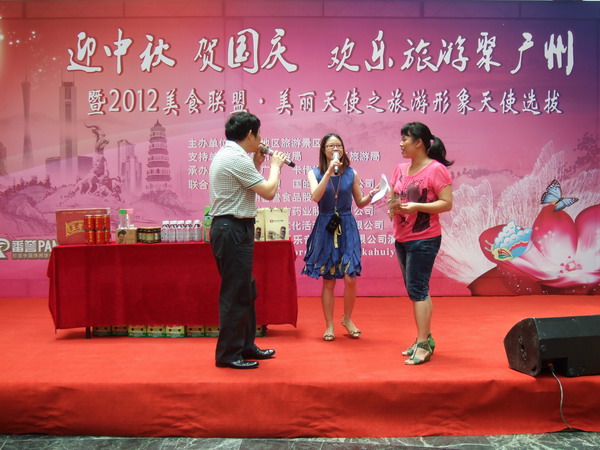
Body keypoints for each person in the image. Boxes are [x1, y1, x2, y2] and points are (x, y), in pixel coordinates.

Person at [208, 111, 286, 369]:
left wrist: (258, 164)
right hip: (232, 228)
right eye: (259, 133)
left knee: (245, 288)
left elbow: (244, 185)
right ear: (250, 134)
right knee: (235, 292)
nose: (261, 138)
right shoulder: (235, 157)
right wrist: (275, 167)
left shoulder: (232, 155)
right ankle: (228, 354)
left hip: (233, 228)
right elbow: (269, 191)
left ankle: (245, 345)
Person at [302, 133, 379, 341]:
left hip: (347, 224)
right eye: (331, 146)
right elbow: (316, 196)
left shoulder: (352, 173)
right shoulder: (314, 173)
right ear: (324, 150)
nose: (335, 149)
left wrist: (371, 195)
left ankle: (347, 318)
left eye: (338, 145)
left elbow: (359, 202)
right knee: (328, 280)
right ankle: (329, 324)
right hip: (326, 225)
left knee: (350, 276)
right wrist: (328, 172)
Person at [388, 122, 453, 365]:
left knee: (418, 290)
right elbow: (394, 195)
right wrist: (392, 205)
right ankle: (424, 338)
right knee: (415, 289)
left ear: (419, 143)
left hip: (424, 238)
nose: (401, 144)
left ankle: (423, 344)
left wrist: (417, 206)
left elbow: (446, 203)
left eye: (405, 139)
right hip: (402, 237)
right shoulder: (399, 169)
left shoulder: (436, 170)